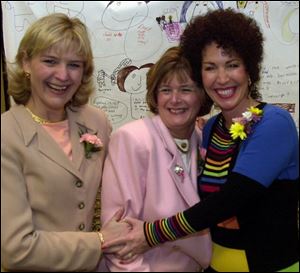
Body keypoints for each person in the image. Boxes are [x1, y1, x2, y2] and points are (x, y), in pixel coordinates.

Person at [102, 9, 299, 272]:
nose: (222, 78)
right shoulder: (211, 129)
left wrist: (150, 234)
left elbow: (230, 200)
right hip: (214, 266)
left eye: (232, 64)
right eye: (210, 68)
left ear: (249, 69)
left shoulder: (273, 123)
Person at [1, 13, 130, 272]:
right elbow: (16, 249)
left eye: (74, 65)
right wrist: (100, 241)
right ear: (26, 62)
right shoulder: (6, 135)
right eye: (50, 61)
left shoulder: (97, 121)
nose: (63, 75)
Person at [101, 46, 212, 271]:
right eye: (165, 90)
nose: (175, 99)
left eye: (185, 89)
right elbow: (118, 236)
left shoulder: (202, 139)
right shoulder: (133, 139)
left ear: (202, 95)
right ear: (154, 95)